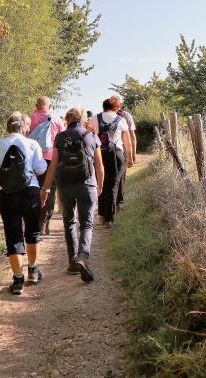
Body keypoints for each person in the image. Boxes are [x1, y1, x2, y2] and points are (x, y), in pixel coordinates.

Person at [0, 112, 47, 295]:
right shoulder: (32, 144)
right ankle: (34, 271)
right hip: (30, 192)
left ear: (8, 126)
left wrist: (9, 177)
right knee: (32, 231)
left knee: (13, 236)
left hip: (8, 194)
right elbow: (41, 168)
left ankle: (18, 280)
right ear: (25, 127)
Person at [41, 107, 104, 282]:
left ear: (67, 120)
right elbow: (99, 166)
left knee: (69, 222)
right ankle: (83, 257)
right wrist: (100, 186)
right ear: (83, 119)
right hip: (87, 184)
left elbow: (53, 166)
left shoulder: (60, 137)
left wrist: (45, 188)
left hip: (65, 185)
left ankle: (71, 262)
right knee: (86, 224)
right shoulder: (91, 136)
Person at [88, 98, 133, 227]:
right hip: (116, 154)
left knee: (100, 182)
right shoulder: (121, 120)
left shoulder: (95, 118)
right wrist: (129, 158)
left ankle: (101, 214)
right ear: (116, 107)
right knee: (113, 185)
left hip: (99, 154)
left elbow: (89, 138)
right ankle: (109, 218)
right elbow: (127, 142)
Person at [29, 96, 64, 235]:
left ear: (37, 105)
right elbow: (62, 138)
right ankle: (44, 223)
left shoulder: (30, 118)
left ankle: (34, 220)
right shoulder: (56, 119)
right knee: (50, 190)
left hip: (33, 159)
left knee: (34, 189)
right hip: (51, 159)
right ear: (49, 106)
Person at [110, 95, 137, 212]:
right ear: (120, 104)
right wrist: (133, 154)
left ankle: (110, 204)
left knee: (109, 177)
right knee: (121, 177)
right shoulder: (126, 115)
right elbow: (132, 135)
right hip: (123, 150)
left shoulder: (103, 115)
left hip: (107, 150)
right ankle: (119, 203)